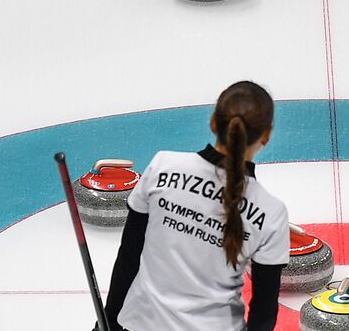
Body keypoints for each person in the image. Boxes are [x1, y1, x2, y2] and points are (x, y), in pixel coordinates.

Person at [102, 81, 289, 331]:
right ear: (266, 135)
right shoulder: (271, 213)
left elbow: (129, 257)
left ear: (213, 122)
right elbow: (263, 314)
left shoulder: (162, 167)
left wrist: (107, 323)